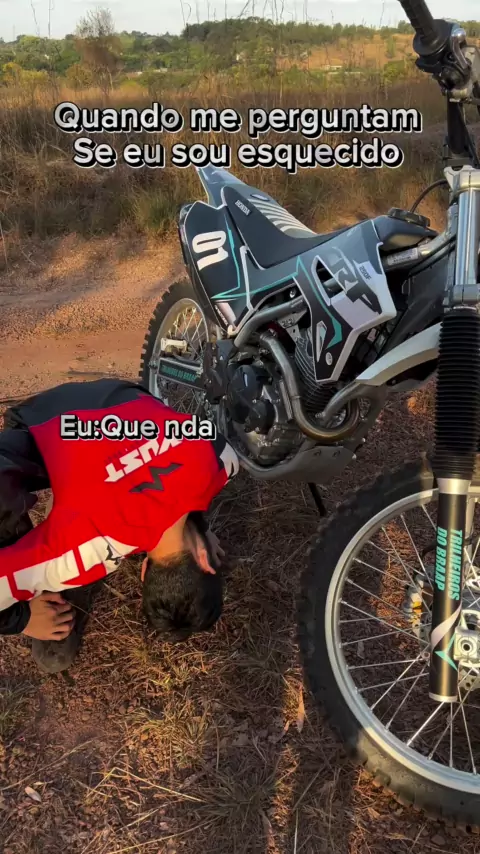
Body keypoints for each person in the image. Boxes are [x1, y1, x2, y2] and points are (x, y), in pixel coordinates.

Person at [0, 378, 239, 673]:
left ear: (204, 559)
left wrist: (199, 527)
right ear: (143, 571)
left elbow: (179, 471)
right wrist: (23, 619)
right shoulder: (84, 552)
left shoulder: (222, 459)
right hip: (38, 421)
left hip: (120, 393)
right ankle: (37, 597)